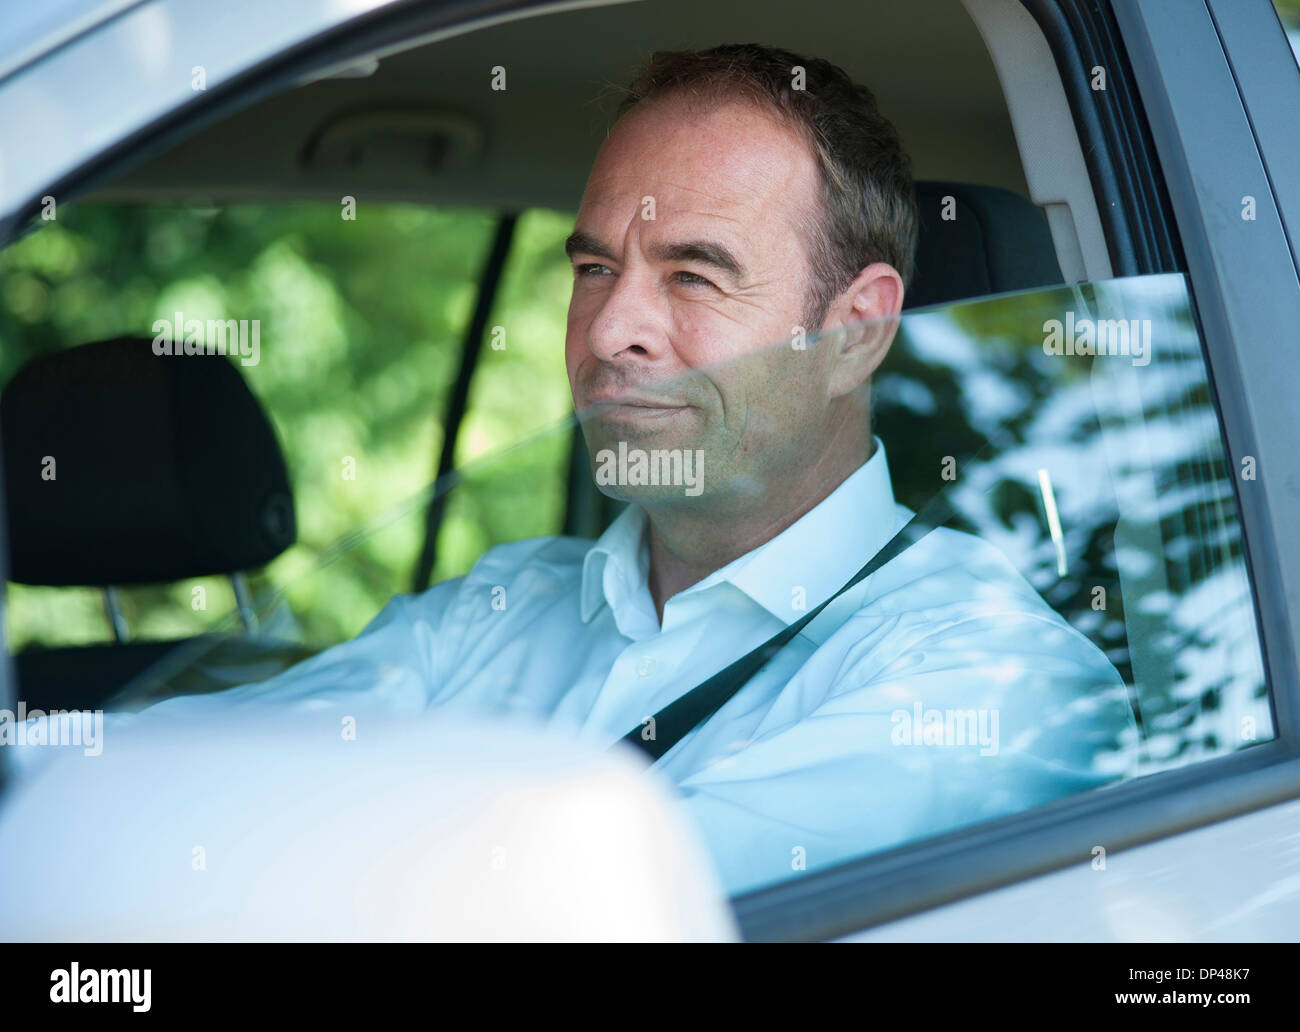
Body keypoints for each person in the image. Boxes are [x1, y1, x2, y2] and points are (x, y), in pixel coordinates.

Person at [18, 44, 1138, 894]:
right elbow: (187, 793)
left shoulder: (987, 680)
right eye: (596, 266)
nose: (610, 331)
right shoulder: (495, 613)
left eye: (694, 276)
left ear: (853, 332)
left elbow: (588, 912)